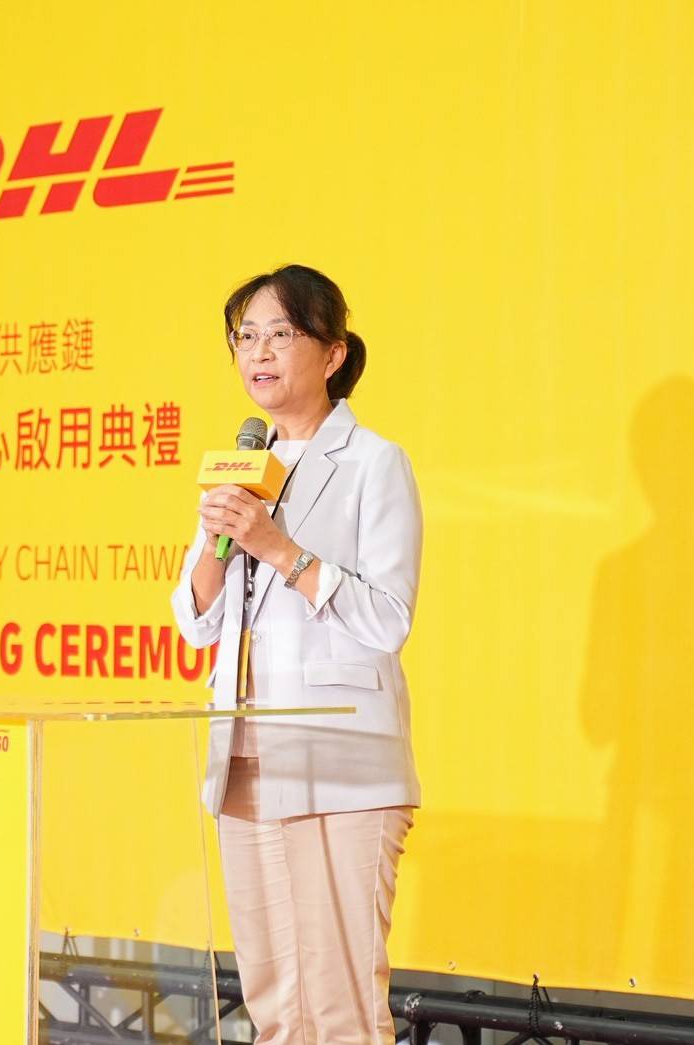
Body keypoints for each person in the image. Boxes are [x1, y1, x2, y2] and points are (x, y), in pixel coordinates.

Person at [170, 264, 423, 1044]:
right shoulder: (241, 465)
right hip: (246, 756)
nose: (259, 351)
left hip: (340, 760)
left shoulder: (374, 462)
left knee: (341, 1008)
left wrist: (279, 548)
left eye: (280, 333)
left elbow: (387, 618)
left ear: (333, 352)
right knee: (275, 1006)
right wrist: (215, 543)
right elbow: (196, 622)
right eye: (246, 335)